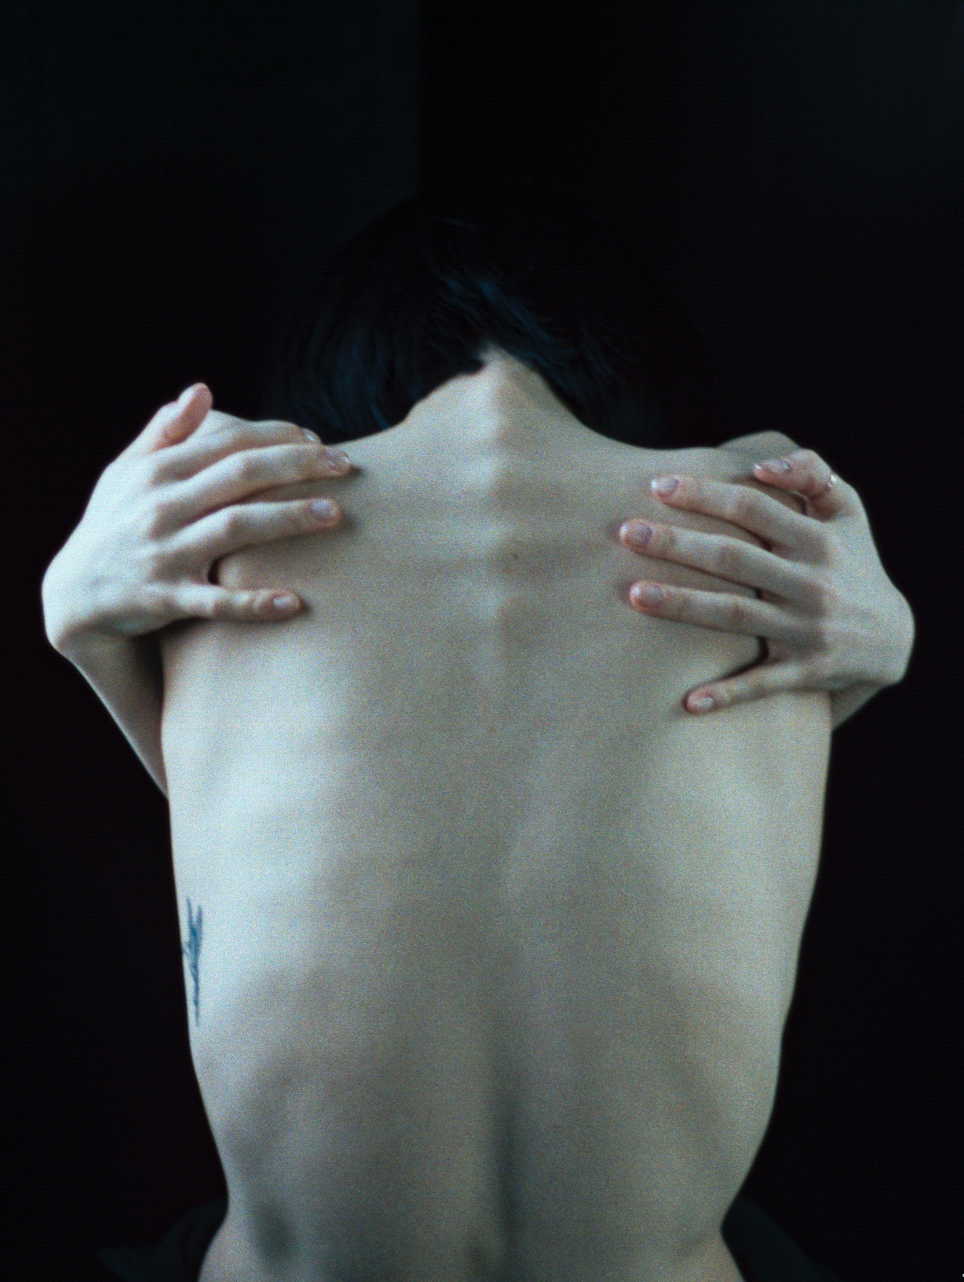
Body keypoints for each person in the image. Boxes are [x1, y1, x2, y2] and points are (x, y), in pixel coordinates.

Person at [43, 188, 914, 1282]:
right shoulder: (762, 524)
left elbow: (229, 827)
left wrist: (77, 622)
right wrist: (891, 643)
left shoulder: (222, 522)